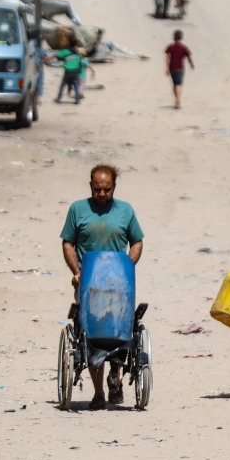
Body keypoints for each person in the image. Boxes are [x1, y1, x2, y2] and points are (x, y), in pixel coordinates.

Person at [61, 165, 145, 410]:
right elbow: (68, 243)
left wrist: (128, 264)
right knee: (91, 334)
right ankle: (98, 392)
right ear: (90, 187)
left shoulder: (125, 211)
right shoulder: (78, 209)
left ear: (114, 188)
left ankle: (115, 377)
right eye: (97, 189)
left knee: (119, 329)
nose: (101, 194)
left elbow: (137, 242)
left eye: (106, 190)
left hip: (118, 283)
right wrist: (76, 271)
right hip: (89, 282)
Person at [164, 29, 194, 109]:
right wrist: (191, 65)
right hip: (180, 68)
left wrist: (167, 68)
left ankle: (176, 100)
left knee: (175, 84)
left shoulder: (170, 47)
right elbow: (189, 57)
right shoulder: (184, 48)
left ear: (174, 37)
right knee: (179, 85)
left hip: (172, 68)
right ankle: (178, 99)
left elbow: (168, 58)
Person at [54, 37, 84, 104]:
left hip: (68, 71)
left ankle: (59, 98)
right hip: (76, 71)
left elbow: (58, 56)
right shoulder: (77, 53)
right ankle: (77, 100)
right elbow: (80, 62)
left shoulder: (65, 51)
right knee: (76, 85)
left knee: (63, 84)